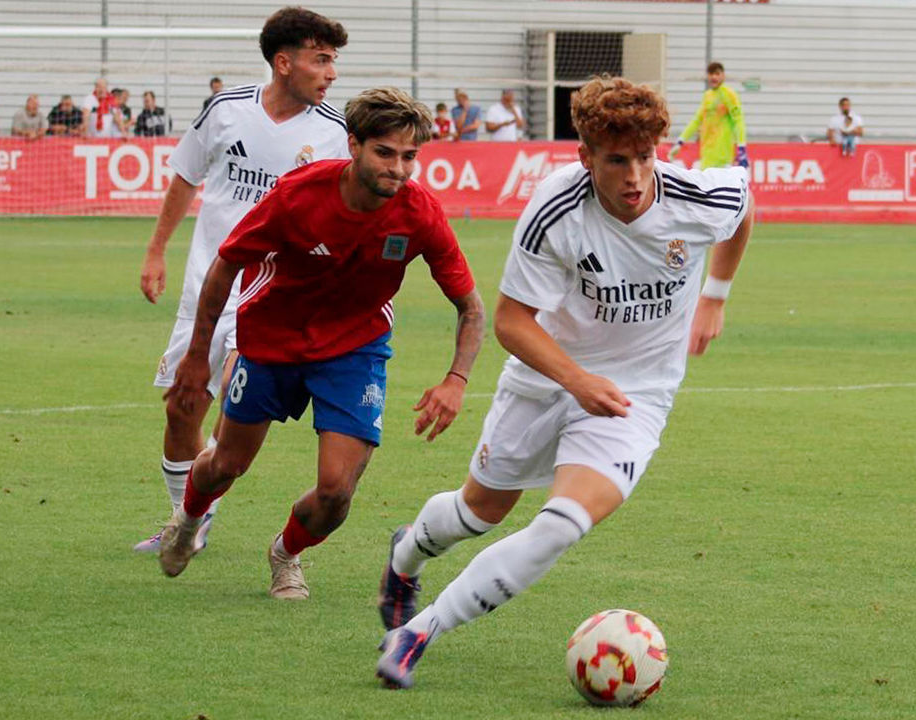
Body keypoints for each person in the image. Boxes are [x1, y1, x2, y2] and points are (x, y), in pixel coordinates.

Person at [374, 75, 754, 689]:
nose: (635, 176)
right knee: (479, 511)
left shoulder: (692, 196)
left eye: (645, 157)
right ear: (585, 158)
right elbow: (509, 320)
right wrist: (576, 380)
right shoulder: (556, 208)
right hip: (546, 378)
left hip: (638, 395)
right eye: (616, 160)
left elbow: (742, 208)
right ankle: (405, 556)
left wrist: (715, 293)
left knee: (560, 524)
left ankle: (420, 631)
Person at [156, 86, 486, 603]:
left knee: (336, 494)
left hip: (355, 351)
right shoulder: (297, 195)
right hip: (270, 340)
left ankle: (286, 554)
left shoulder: (419, 212)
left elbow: (471, 308)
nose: (398, 169)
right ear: (353, 145)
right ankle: (188, 519)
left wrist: (456, 379)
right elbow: (225, 265)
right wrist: (198, 357)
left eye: (409, 157)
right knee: (226, 465)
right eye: (385, 152)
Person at [133, 7, 353, 556]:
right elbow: (186, 176)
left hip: (273, 296)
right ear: (284, 63)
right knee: (181, 406)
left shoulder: (334, 135)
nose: (331, 73)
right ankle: (191, 518)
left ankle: (197, 513)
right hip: (207, 286)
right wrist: (156, 250)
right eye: (321, 59)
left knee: (234, 418)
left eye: (333, 61)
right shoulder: (227, 110)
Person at [670, 62, 748, 169]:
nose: (714, 77)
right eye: (711, 74)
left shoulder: (729, 94)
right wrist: (680, 141)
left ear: (723, 75)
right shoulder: (707, 96)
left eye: (717, 74)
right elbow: (696, 121)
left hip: (722, 159)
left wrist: (741, 147)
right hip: (706, 158)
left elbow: (738, 121)